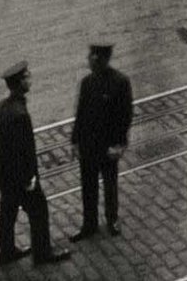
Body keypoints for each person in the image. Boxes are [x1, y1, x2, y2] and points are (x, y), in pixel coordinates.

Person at [0, 61, 70, 265]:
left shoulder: (2, 107)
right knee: (39, 211)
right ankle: (42, 254)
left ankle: (7, 252)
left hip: (5, 175)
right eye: (26, 76)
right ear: (20, 83)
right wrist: (29, 178)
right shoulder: (20, 114)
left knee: (8, 212)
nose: (29, 78)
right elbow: (24, 151)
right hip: (21, 178)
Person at [69, 42, 132, 242]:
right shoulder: (87, 82)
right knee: (88, 187)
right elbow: (80, 113)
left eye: (93, 58)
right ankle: (89, 224)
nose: (89, 61)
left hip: (107, 146)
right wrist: (75, 141)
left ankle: (112, 219)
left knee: (110, 184)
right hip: (88, 145)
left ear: (102, 60)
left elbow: (125, 116)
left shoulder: (120, 82)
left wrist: (120, 145)